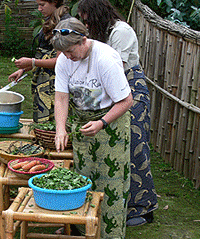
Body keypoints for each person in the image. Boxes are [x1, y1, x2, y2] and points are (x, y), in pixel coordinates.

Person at [77, 0, 157, 227]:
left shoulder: (120, 31)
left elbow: (117, 68)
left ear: (98, 14)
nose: (86, 24)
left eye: (87, 18)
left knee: (135, 146)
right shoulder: (102, 33)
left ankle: (144, 207)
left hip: (131, 90)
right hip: (112, 90)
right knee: (116, 147)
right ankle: (119, 204)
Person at [52, 17, 133, 239]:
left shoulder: (106, 59)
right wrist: (61, 129)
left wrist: (102, 122)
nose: (68, 57)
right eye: (64, 53)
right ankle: (82, 231)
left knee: (110, 183)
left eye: (70, 51)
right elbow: (61, 98)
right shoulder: (64, 60)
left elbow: (126, 101)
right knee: (83, 179)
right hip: (83, 125)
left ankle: (110, 234)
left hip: (111, 125)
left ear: (83, 40)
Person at [7, 0, 70, 122]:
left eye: (42, 4)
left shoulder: (65, 25)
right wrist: (24, 69)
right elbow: (45, 54)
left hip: (56, 84)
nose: (39, 8)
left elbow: (60, 61)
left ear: (54, 2)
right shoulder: (52, 20)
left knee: (53, 122)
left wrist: (33, 62)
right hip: (44, 80)